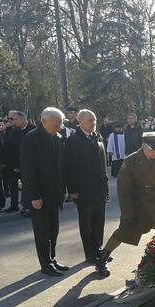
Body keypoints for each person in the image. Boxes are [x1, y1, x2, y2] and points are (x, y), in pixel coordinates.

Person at [96, 132, 155, 277]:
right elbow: (123, 190)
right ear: (143, 146)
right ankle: (102, 259)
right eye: (153, 149)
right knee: (125, 231)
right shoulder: (131, 161)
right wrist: (127, 212)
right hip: (136, 200)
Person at [20, 107, 69, 276]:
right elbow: (28, 170)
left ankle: (52, 259)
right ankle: (45, 264)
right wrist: (34, 195)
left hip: (54, 194)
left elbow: (60, 168)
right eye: (56, 125)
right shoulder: (31, 139)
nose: (59, 128)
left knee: (53, 230)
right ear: (44, 121)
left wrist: (62, 190)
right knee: (42, 231)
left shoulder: (58, 138)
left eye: (60, 124)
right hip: (39, 195)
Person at [65, 109, 109, 265]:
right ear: (80, 121)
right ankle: (89, 253)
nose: (94, 122)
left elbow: (102, 165)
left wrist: (106, 188)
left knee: (99, 221)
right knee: (86, 223)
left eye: (95, 119)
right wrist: (73, 190)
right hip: (83, 190)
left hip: (99, 188)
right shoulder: (73, 140)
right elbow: (70, 168)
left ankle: (98, 249)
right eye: (91, 120)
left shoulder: (97, 137)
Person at [4, 111, 35, 214]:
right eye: (10, 119)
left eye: (14, 119)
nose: (11, 121)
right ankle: (21, 205)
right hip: (17, 163)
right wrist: (15, 165)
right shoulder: (13, 131)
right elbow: (12, 149)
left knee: (29, 185)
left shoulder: (34, 129)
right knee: (19, 185)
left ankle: (29, 206)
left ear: (23, 118)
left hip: (31, 163)